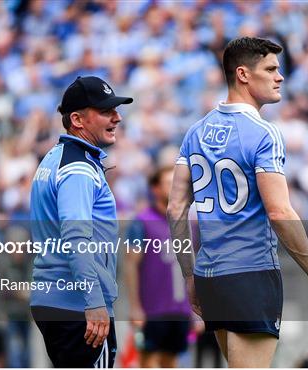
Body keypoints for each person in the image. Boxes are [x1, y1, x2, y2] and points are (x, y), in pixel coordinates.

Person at [167, 37, 308, 368]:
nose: (280, 76)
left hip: (210, 276)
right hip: (251, 273)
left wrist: (190, 274)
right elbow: (279, 210)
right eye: (271, 69)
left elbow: (175, 208)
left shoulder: (195, 133)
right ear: (243, 74)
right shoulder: (263, 133)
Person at [29, 76, 132, 368]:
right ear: (77, 119)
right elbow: (76, 239)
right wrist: (95, 301)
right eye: (105, 111)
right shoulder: (78, 168)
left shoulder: (54, 157)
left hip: (54, 299)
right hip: (78, 303)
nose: (117, 117)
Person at [123, 165, 192, 367]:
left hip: (180, 309)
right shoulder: (142, 222)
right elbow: (130, 265)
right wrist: (135, 307)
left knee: (171, 360)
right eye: (169, 183)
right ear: (155, 189)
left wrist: (196, 311)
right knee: (148, 360)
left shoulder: (187, 223)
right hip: (152, 309)